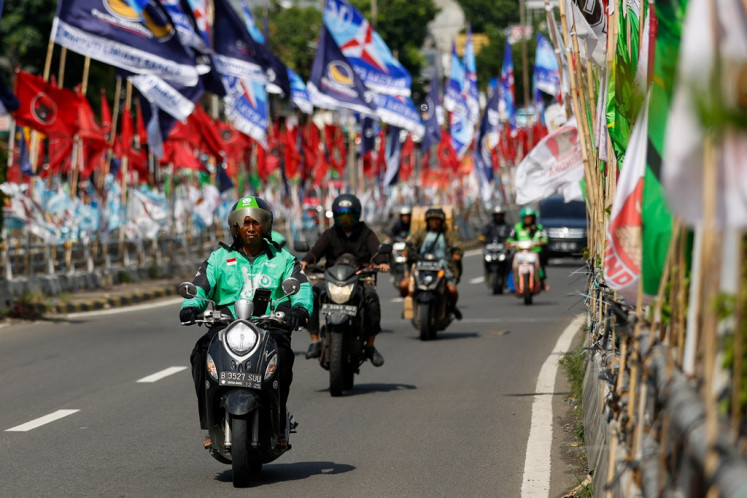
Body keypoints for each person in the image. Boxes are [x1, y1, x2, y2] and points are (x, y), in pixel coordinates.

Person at [179, 195, 313, 449]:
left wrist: (299, 310)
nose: (251, 228)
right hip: (225, 328)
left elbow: (302, 289)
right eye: (245, 222)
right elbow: (199, 287)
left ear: (266, 226)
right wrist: (190, 307)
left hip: (270, 327)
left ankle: (278, 418)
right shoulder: (218, 259)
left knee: (283, 356)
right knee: (200, 355)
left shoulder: (283, 259)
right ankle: (211, 424)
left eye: (256, 222)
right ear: (235, 228)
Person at [300, 193, 389, 366]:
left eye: (350, 215)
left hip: (359, 278)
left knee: (372, 300)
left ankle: (370, 346)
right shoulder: (330, 233)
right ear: (335, 216)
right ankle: (314, 340)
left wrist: (383, 263)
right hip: (332, 278)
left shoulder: (366, 233)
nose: (346, 220)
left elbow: (377, 252)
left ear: (357, 215)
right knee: (311, 295)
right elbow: (316, 251)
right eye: (342, 215)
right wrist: (305, 261)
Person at [400, 207, 463, 319]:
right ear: (427, 221)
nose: (434, 222)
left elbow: (457, 244)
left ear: (441, 221)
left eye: (437, 219)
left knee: (452, 290)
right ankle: (410, 306)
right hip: (421, 265)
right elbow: (410, 243)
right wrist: (406, 251)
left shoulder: (448, 234)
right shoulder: (421, 233)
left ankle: (452, 307)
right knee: (404, 285)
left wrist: (457, 253)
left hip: (442, 266)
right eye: (432, 219)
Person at [506, 207, 550, 291]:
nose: (528, 219)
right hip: (520, 252)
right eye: (526, 218)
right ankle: (511, 283)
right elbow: (510, 239)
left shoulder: (539, 228)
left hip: (535, 252)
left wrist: (538, 243)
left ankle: (542, 281)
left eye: (530, 217)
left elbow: (544, 240)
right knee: (510, 262)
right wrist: (510, 243)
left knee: (541, 261)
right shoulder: (517, 227)